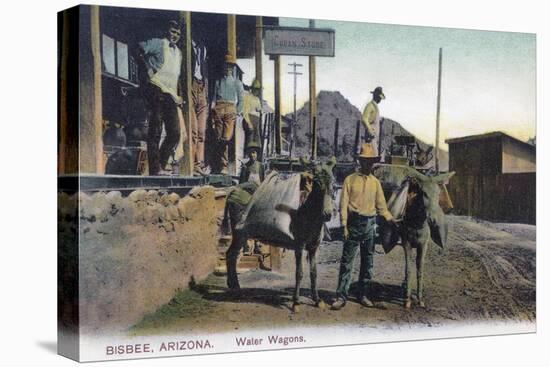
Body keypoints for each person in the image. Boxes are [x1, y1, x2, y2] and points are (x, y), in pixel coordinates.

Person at [331, 143, 396, 310]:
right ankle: (341, 296)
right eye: (365, 161)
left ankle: (363, 295)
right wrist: (344, 225)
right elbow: (343, 204)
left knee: (368, 262)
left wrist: (391, 219)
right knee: (347, 262)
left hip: (369, 225)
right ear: (360, 161)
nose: (367, 164)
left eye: (370, 161)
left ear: (373, 163)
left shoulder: (375, 183)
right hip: (353, 224)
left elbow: (381, 206)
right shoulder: (349, 180)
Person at [138, 20, 184, 176]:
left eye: (178, 33)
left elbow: (176, 76)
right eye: (173, 31)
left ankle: (161, 165)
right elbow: (138, 48)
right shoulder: (158, 43)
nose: (175, 35)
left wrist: (178, 95)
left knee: (175, 133)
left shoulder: (179, 53)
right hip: (155, 88)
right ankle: (155, 169)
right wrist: (148, 68)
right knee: (156, 129)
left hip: (170, 93)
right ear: (167, 31)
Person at [210, 54, 244, 174]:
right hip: (219, 109)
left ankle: (224, 164)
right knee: (219, 138)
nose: (228, 68)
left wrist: (237, 112)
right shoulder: (218, 81)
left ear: (233, 68)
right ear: (223, 66)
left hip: (230, 110)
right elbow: (214, 98)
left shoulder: (237, 83)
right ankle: (221, 166)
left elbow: (241, 101)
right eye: (226, 65)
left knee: (226, 138)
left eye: (230, 66)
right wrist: (212, 109)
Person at [190, 38, 209, 175]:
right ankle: (191, 164)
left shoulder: (203, 48)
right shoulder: (184, 45)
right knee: (193, 131)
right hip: (190, 86)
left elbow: (204, 69)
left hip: (201, 87)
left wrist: (206, 90)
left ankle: (199, 164)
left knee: (202, 131)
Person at [361, 86, 385, 159]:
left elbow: (372, 119)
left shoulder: (375, 107)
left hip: (374, 138)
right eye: (379, 97)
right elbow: (364, 119)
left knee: (374, 157)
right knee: (372, 158)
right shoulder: (370, 106)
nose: (380, 99)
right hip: (370, 138)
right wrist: (371, 132)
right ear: (376, 96)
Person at [242, 79, 263, 151]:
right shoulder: (247, 97)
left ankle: (256, 158)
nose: (256, 91)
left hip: (256, 122)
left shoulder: (257, 99)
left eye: (258, 89)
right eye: (255, 89)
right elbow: (245, 112)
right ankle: (247, 157)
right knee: (249, 141)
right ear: (252, 89)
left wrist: (260, 110)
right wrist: (249, 123)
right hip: (250, 120)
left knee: (257, 141)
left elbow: (259, 108)